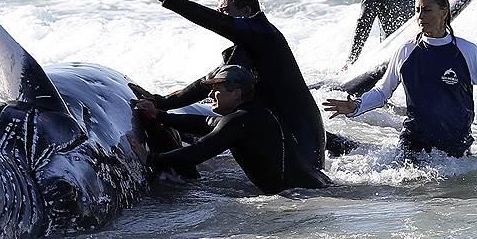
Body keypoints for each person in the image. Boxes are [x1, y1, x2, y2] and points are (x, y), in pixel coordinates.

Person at [140, 0, 327, 170]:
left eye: (225, 12)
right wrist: (162, 102)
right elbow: (210, 80)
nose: (222, 17)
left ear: (246, 11)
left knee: (307, 184)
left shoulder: (264, 34)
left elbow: (216, 22)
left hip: (301, 124)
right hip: (277, 122)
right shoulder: (245, 47)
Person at [324, 0, 477, 158]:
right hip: (414, 145)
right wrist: (356, 106)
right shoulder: (406, 50)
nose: (420, 16)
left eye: (426, 10)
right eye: (417, 10)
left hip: (455, 147)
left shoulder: (466, 51)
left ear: (444, 12)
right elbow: (382, 92)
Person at [134, 65, 330, 194]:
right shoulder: (252, 113)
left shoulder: (241, 120)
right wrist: (160, 116)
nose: (210, 94)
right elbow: (207, 123)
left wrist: (151, 159)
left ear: (236, 93)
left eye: (216, 89)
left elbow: (197, 153)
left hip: (303, 193)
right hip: (314, 185)